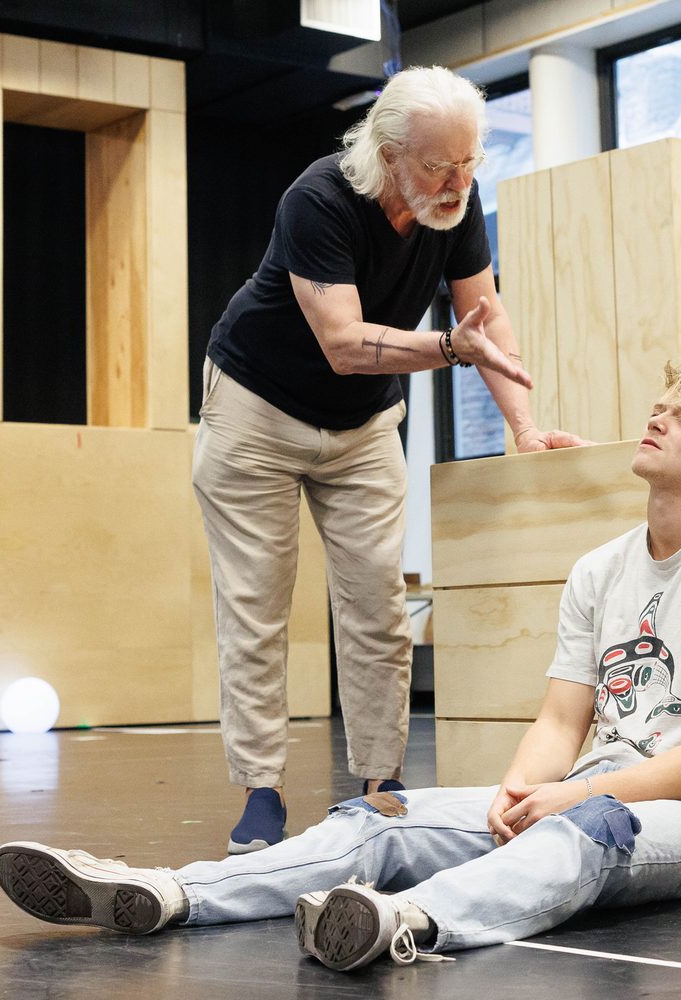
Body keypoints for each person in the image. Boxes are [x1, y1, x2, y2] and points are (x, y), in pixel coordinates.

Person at [0, 363, 681, 971]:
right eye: (658, 409)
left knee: (581, 830)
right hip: (582, 788)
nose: (656, 422)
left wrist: (571, 796)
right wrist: (517, 790)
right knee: (377, 817)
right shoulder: (601, 569)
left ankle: (404, 921)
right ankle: (172, 892)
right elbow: (562, 718)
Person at [193, 65, 585, 855]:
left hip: (363, 423)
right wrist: (446, 348)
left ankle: (381, 785)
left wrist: (524, 426)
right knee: (258, 608)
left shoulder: (457, 205)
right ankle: (261, 793)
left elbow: (486, 316)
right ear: (389, 153)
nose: (458, 180)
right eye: (440, 165)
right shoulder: (318, 199)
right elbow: (343, 344)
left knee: (377, 605)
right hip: (258, 408)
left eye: (470, 161)